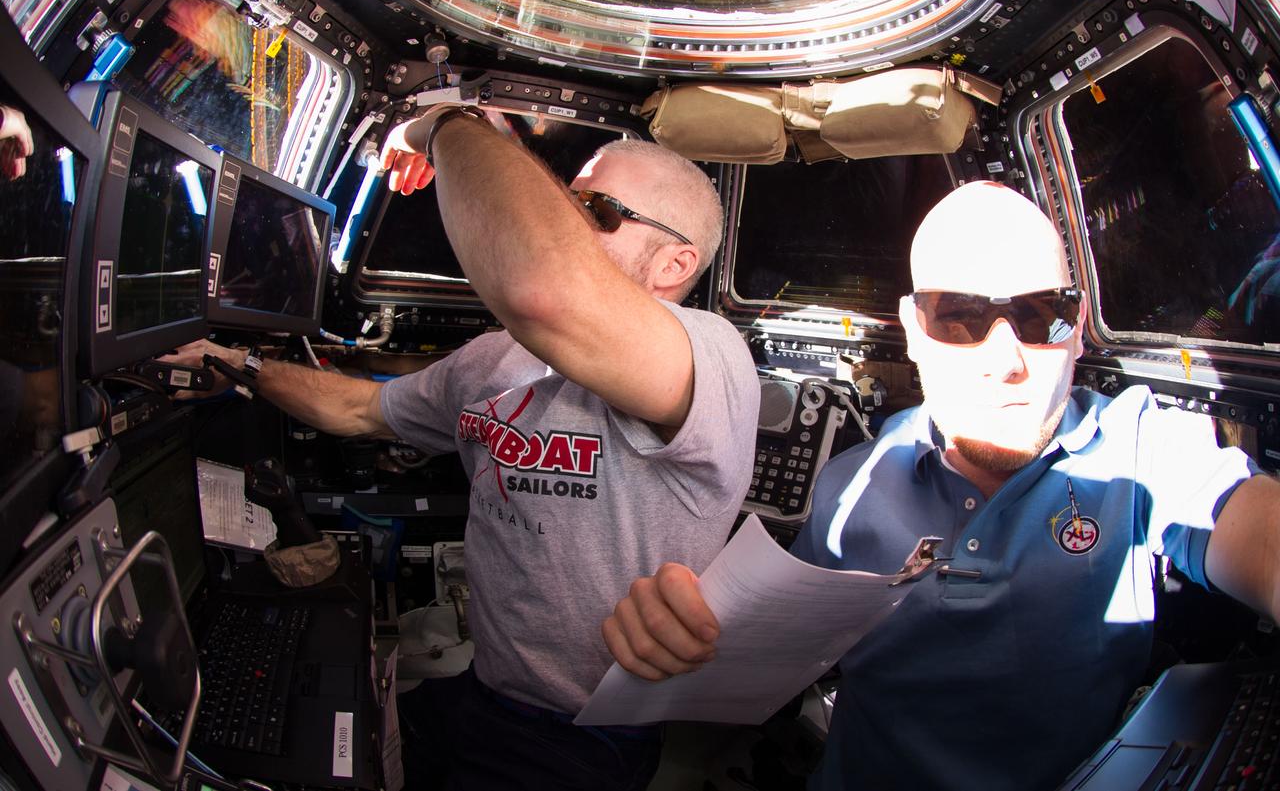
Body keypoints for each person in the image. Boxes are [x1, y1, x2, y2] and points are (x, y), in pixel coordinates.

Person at [603, 181, 1280, 791]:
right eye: (959, 317)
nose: (1006, 362)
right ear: (913, 331)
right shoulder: (848, 491)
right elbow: (761, 659)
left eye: (1041, 315)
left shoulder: (1137, 450)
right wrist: (676, 636)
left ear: (1076, 333)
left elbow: (1253, 527)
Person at [168, 106, 760, 790]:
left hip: (587, 733)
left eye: (594, 210)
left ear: (675, 262)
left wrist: (443, 124)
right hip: (482, 689)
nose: (562, 219)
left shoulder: (711, 355)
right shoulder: (493, 361)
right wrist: (238, 365)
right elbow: (359, 408)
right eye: (564, 201)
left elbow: (544, 288)